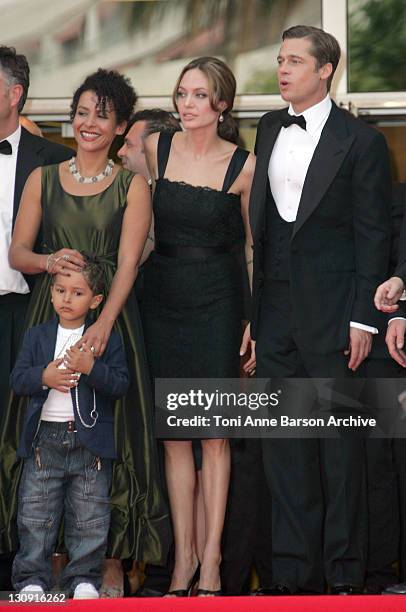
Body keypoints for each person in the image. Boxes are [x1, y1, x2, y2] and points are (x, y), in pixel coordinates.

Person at [4, 68, 170, 597]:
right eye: (81, 111)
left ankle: (102, 566)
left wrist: (102, 323)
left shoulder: (131, 184)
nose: (89, 122)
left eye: (102, 114)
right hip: (46, 317)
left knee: (109, 442)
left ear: (122, 127)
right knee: (40, 436)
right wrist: (49, 259)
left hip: (111, 321)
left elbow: (126, 266)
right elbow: (17, 254)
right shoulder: (43, 177)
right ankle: (39, 567)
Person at [249, 25, 391, 594]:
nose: (283, 70)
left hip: (336, 316)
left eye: (296, 61)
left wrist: (365, 317)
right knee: (285, 450)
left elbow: (373, 236)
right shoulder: (265, 127)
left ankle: (343, 578)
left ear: (326, 69)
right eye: (280, 60)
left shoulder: (361, 141)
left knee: (338, 452)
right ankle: (292, 578)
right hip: (275, 311)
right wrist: (255, 320)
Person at [143, 56, 255, 597]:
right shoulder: (154, 149)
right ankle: (182, 560)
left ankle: (211, 562)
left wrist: (251, 319)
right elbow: (140, 233)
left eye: (198, 96)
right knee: (174, 437)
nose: (185, 105)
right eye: (181, 94)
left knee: (214, 435)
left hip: (217, 303)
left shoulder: (246, 166)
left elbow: (253, 251)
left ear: (222, 105)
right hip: (160, 299)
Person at [11, 256, 129, 599]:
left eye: (77, 293)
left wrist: (92, 367)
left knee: (90, 516)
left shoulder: (105, 339)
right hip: (43, 440)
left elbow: (121, 385)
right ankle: (32, 578)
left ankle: (84, 580)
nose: (66, 298)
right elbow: (18, 379)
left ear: (95, 301)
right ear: (50, 295)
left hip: (90, 444)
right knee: (35, 513)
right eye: (60, 290)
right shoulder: (37, 336)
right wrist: (43, 377)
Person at [0, 44, 73, 590]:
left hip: (27, 315)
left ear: (15, 94)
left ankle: (21, 564)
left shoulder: (52, 161)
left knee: (25, 437)